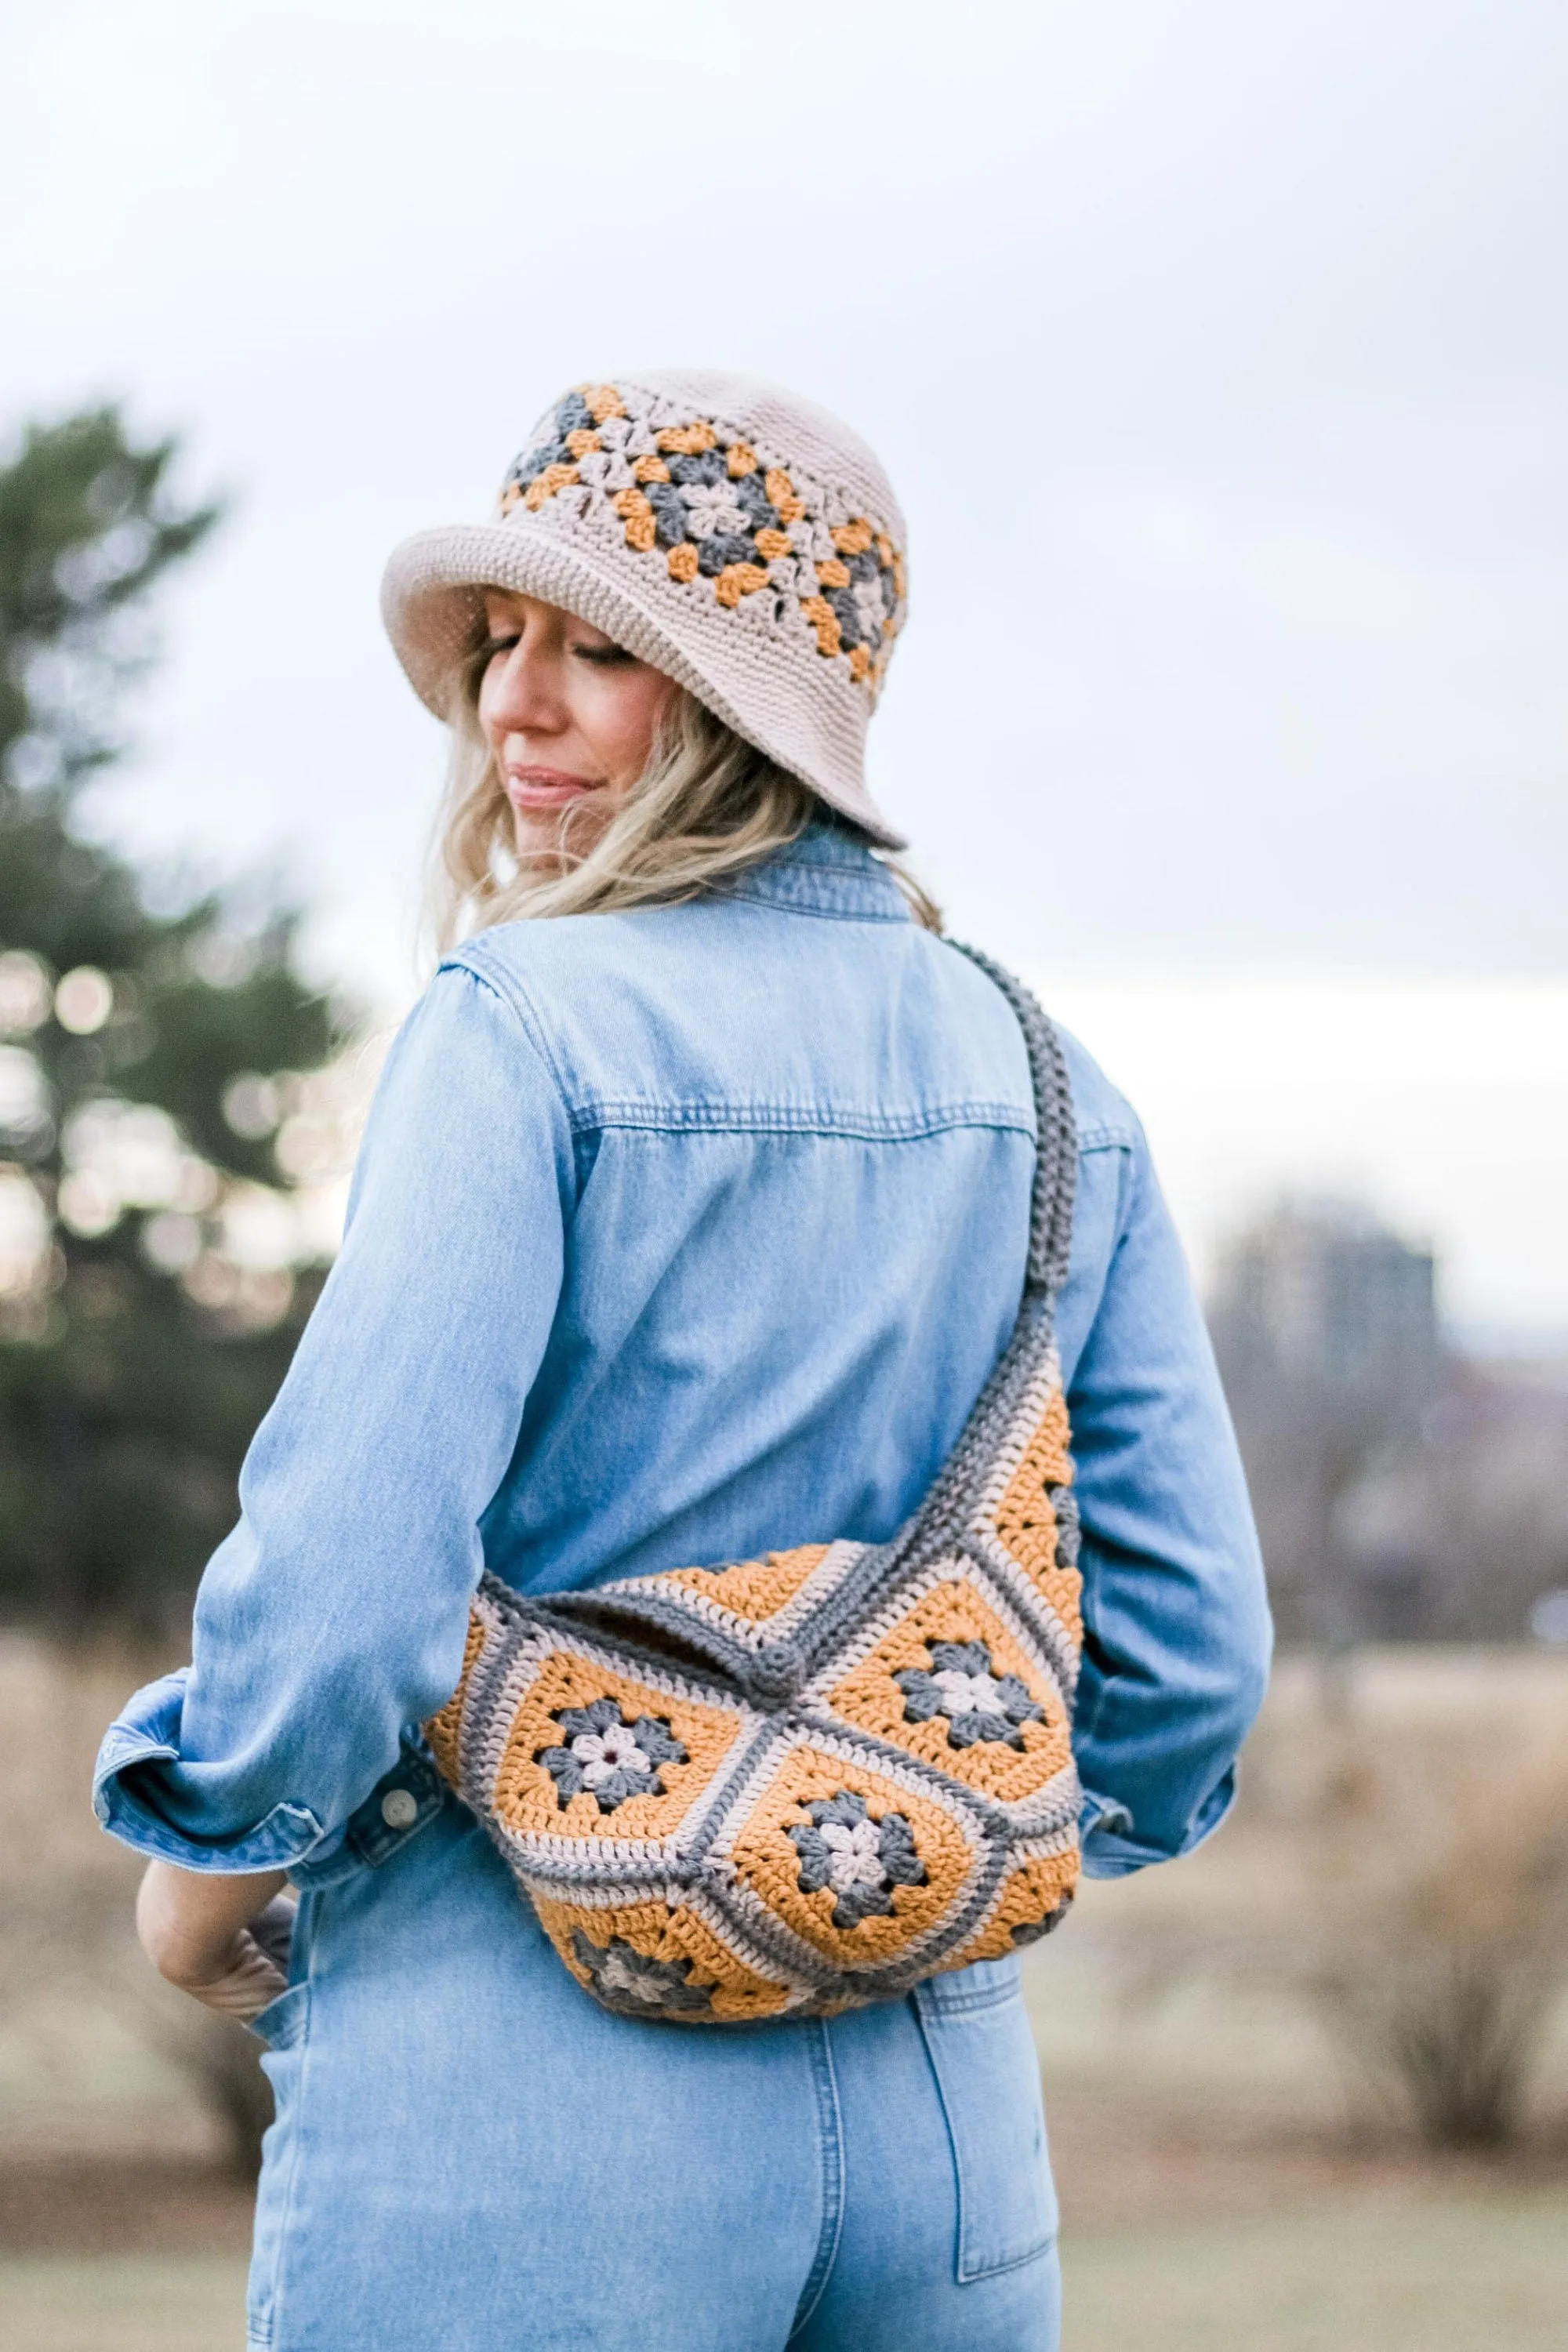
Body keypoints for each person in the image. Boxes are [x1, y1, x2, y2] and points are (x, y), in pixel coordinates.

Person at [96, 371, 1271, 2352]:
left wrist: (210, 1862)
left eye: (595, 654)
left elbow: (349, 1568)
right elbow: (1189, 1673)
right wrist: (898, 1846)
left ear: (743, 702)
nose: (510, 709)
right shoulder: (1052, 1085)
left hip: (522, 2112)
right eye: (500, 645)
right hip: (944, 2128)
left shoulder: (523, 1029)